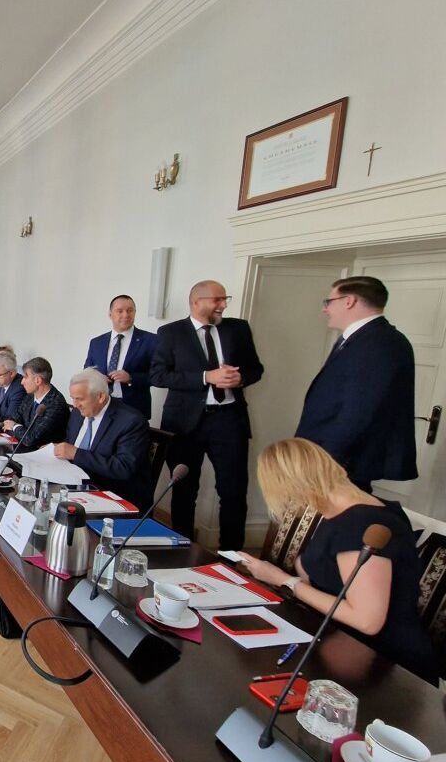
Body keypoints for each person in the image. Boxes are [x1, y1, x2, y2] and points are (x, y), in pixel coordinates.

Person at [237, 439, 438, 684]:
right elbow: (337, 577)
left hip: (386, 666)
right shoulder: (350, 511)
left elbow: (367, 621)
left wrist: (285, 581)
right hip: (343, 644)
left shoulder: (359, 525)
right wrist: (302, 571)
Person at [150, 280, 264, 551]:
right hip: (185, 423)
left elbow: (256, 369)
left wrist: (240, 379)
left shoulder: (238, 329)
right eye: (217, 300)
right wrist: (205, 377)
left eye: (225, 299)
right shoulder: (170, 332)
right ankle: (183, 549)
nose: (223, 305)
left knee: (234, 491)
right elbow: (158, 375)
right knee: (184, 490)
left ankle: (231, 557)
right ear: (196, 302)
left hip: (229, 420)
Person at [296, 276, 417, 492]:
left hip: (341, 461)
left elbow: (359, 410)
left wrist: (328, 460)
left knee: (334, 513)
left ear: (349, 301)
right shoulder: (360, 338)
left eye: (328, 302)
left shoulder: (380, 343)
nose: (325, 309)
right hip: (327, 454)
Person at [53, 369, 152, 511]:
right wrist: (57, 448)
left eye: (79, 399)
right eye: (73, 398)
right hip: (75, 485)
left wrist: (76, 454)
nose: (74, 404)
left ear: (100, 397)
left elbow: (123, 467)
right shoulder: (77, 413)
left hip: (112, 494)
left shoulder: (131, 421)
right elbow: (70, 443)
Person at [83, 294, 158, 420]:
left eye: (130, 310)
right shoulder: (97, 342)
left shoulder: (151, 340)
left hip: (134, 408)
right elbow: (87, 370)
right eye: (120, 311)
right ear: (110, 314)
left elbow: (158, 376)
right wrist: (97, 378)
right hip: (101, 404)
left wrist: (131, 378)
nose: (125, 315)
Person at [1, 357, 68, 451]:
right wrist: (14, 425)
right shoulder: (30, 396)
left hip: (41, 454)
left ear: (38, 380)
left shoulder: (56, 404)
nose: (22, 382)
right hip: (22, 447)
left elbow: (31, 439)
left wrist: (14, 426)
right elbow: (13, 419)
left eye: (25, 377)